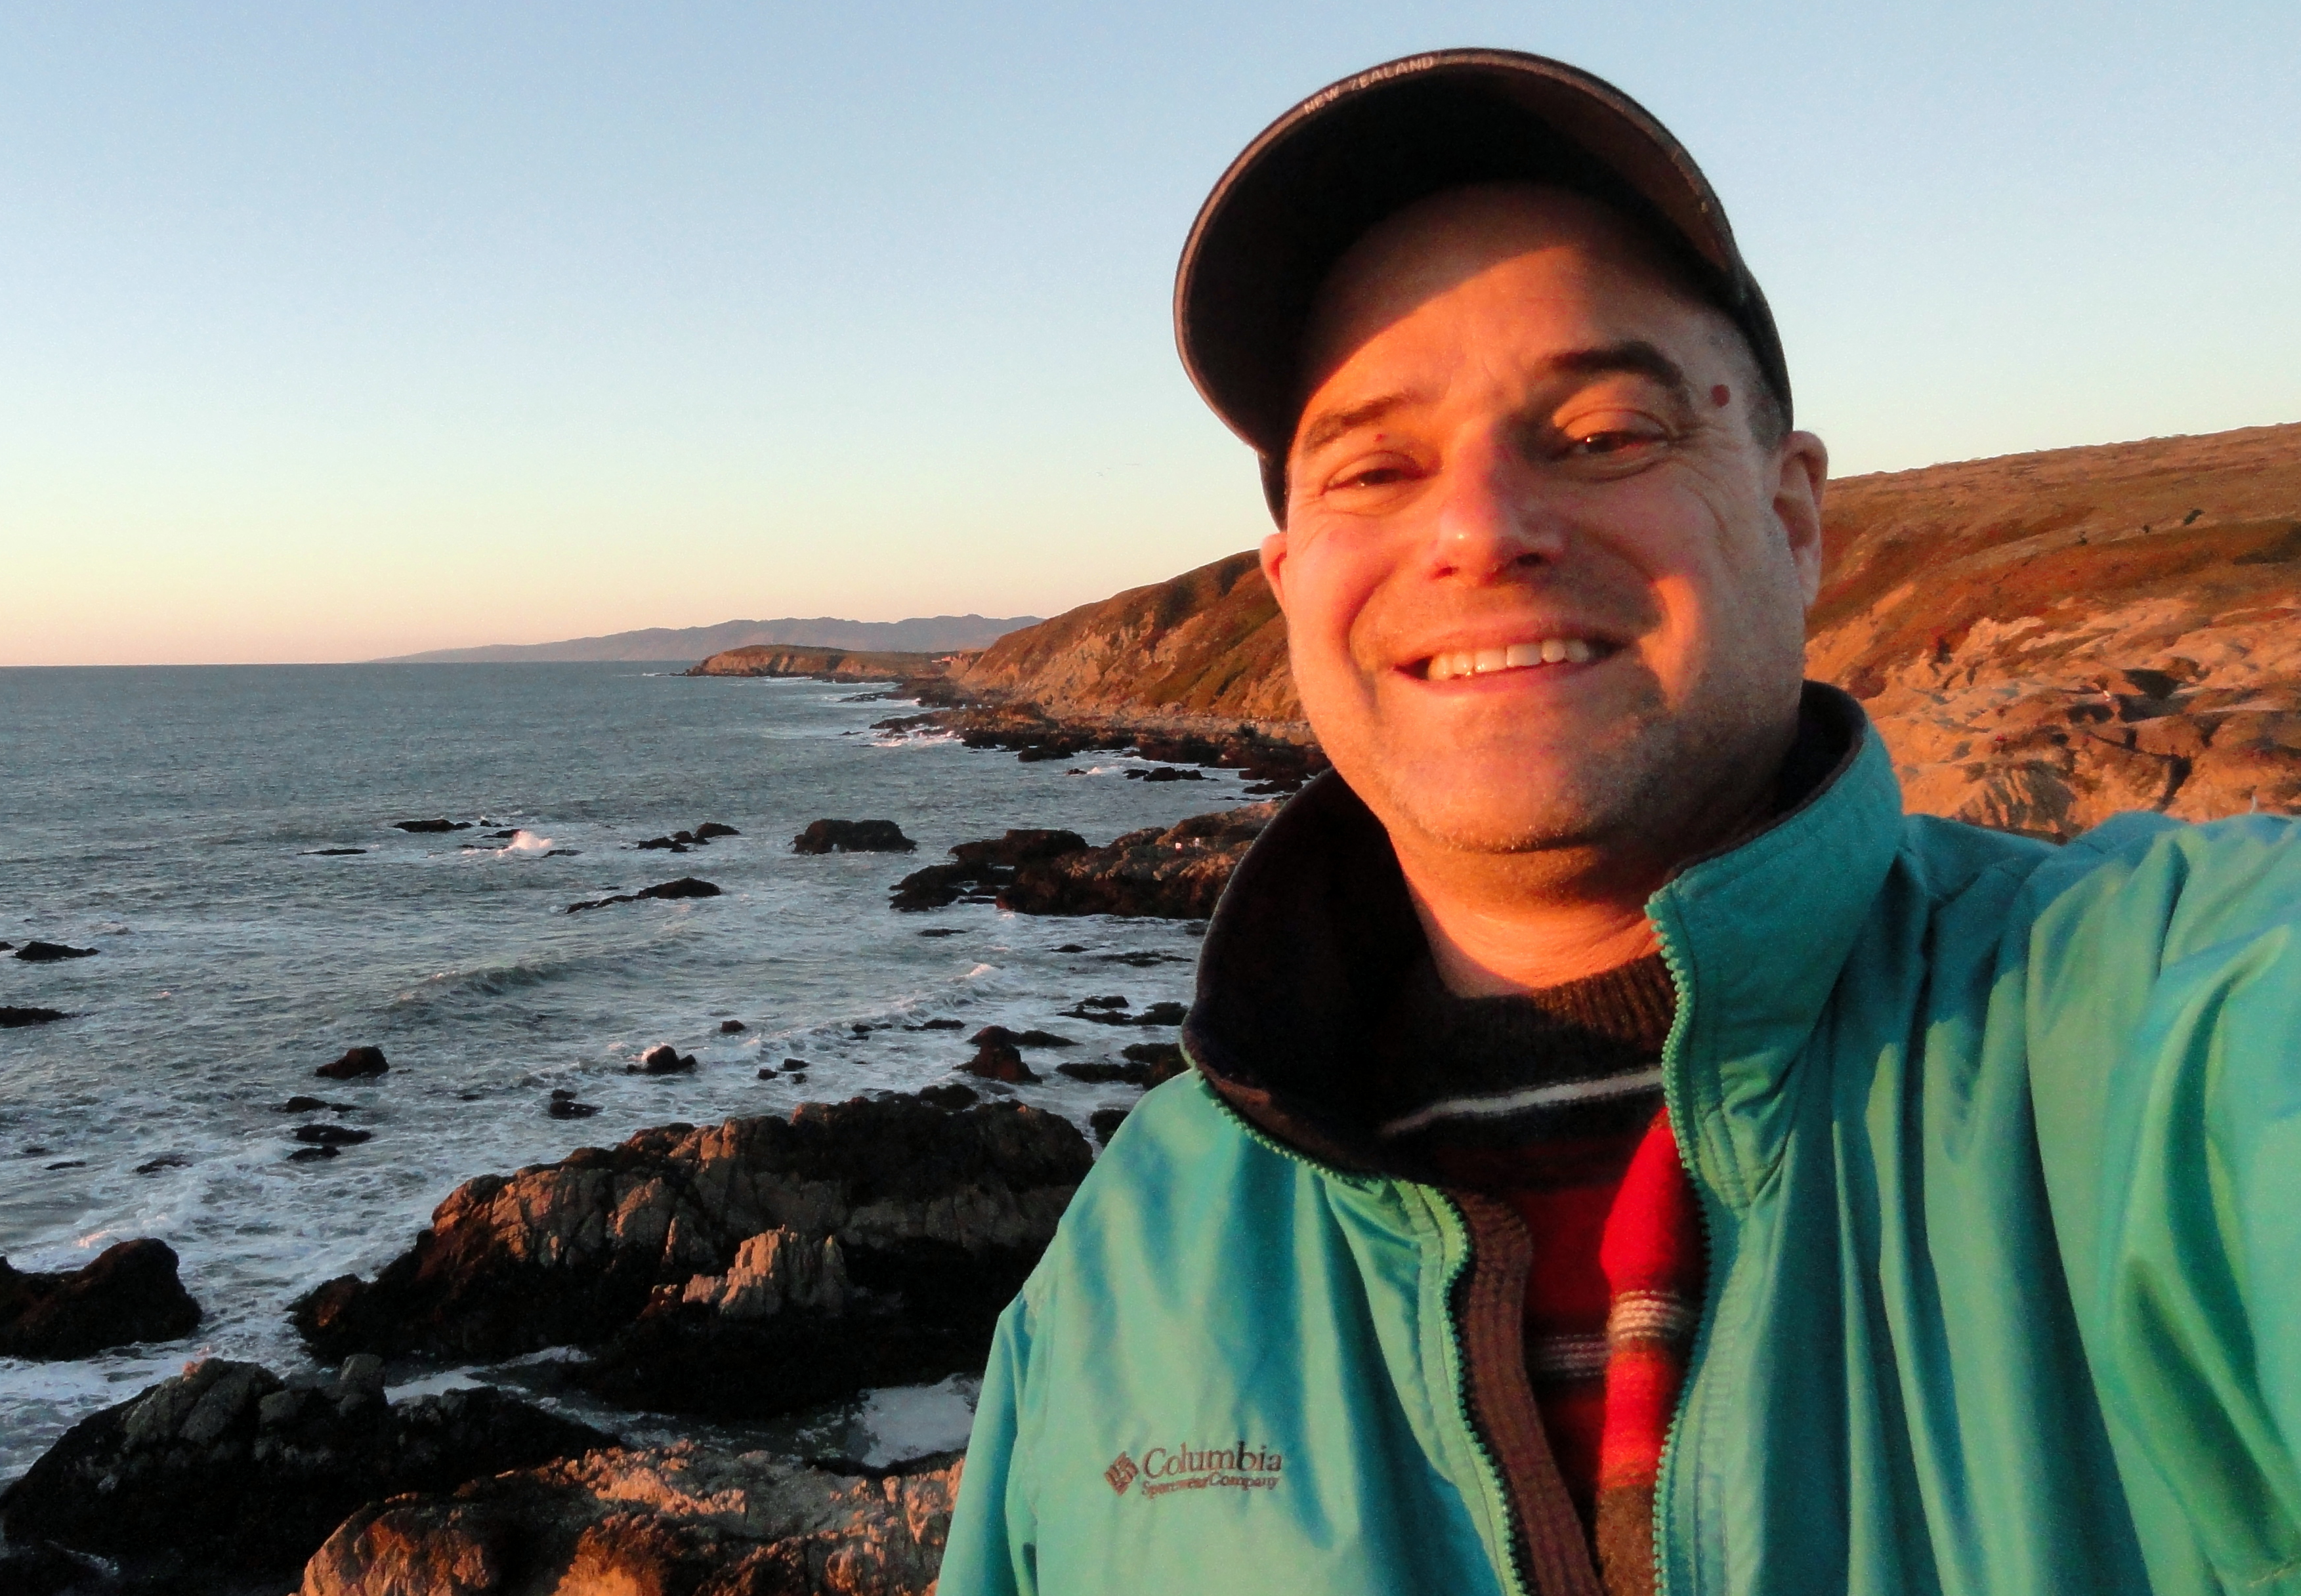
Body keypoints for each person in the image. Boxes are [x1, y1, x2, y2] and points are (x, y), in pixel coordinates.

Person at [940, 49, 2301, 1596]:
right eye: (1376, 467)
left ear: (1794, 521)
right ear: (1291, 586)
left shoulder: (2167, 1029)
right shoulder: (1131, 1255)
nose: (1479, 529)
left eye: (1600, 436)